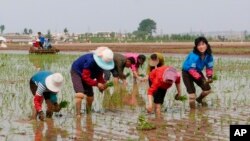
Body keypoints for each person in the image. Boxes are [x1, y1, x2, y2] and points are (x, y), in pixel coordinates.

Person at [71, 47, 114, 117]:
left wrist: (102, 84)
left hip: (87, 75)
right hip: (77, 72)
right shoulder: (90, 61)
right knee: (80, 94)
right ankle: (78, 114)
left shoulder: (101, 66)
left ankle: (88, 112)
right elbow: (85, 77)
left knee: (90, 96)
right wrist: (97, 84)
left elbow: (99, 76)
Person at [182, 36, 214, 109]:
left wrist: (209, 77)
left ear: (206, 44)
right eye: (199, 45)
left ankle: (199, 99)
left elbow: (209, 67)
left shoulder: (209, 56)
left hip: (197, 71)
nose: (201, 46)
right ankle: (192, 112)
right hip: (187, 72)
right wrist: (201, 79)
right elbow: (191, 70)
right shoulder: (194, 55)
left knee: (207, 90)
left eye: (203, 44)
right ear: (196, 47)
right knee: (192, 96)